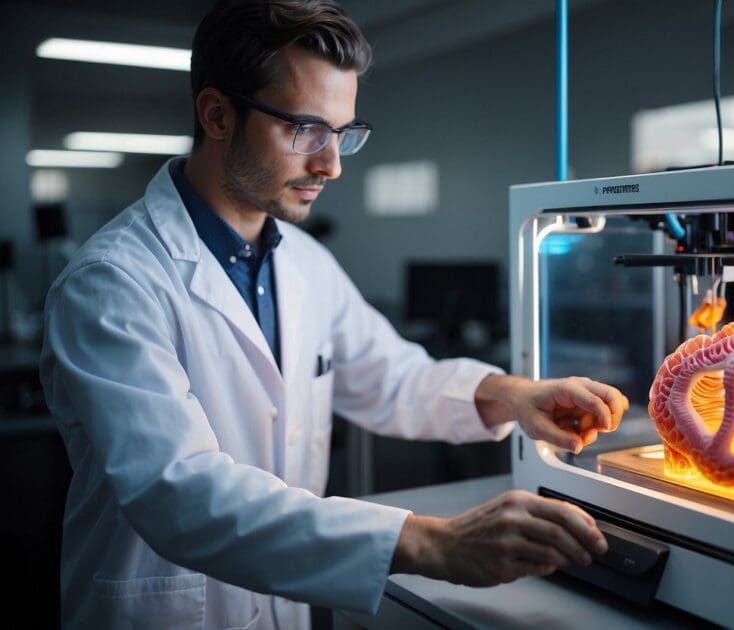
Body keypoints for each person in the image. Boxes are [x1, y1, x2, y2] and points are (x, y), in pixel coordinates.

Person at [39, 1, 630, 628]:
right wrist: (431, 543)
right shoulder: (112, 282)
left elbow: (392, 376)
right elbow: (179, 493)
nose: (332, 164)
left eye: (343, 133)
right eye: (305, 130)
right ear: (217, 114)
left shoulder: (304, 261)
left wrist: (513, 395)